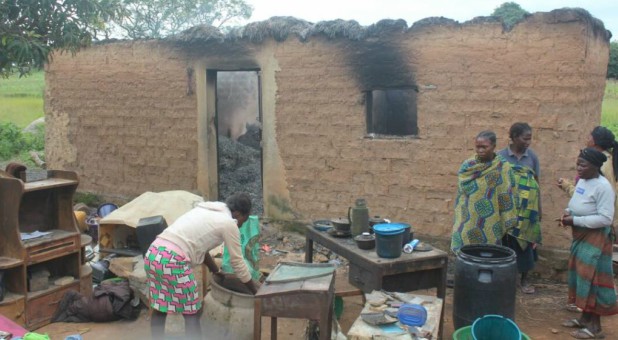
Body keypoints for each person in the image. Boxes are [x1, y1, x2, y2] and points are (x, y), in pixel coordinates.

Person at [144, 192, 260, 340]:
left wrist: (215, 270)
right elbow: (237, 262)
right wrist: (254, 290)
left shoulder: (205, 210)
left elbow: (201, 248)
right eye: (245, 218)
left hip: (154, 253)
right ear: (238, 214)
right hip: (173, 261)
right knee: (191, 311)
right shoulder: (228, 223)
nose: (243, 223)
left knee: (160, 306)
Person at [557, 126, 618, 312]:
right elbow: (578, 200)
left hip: (595, 238)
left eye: (582, 165)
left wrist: (575, 221)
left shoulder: (603, 186)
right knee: (579, 277)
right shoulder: (584, 180)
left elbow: (605, 218)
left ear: (595, 167)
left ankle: (594, 326)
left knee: (592, 278)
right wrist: (568, 211)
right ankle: (583, 316)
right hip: (581, 237)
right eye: (578, 164)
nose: (578, 169)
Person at [451, 130, 519, 251]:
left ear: (493, 146)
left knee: (488, 252)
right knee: (466, 251)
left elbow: (508, 192)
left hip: (492, 219)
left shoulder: (502, 167)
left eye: (484, 147)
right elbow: (462, 191)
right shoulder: (468, 166)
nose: (480, 150)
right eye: (478, 147)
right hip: (468, 217)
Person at [497, 123, 542, 294]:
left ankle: (524, 281)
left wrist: (538, 212)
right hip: (507, 210)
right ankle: (505, 280)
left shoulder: (532, 158)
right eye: (525, 138)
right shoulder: (500, 157)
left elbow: (536, 185)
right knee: (506, 244)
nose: (528, 142)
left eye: (530, 138)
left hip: (527, 211)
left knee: (526, 246)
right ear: (514, 137)